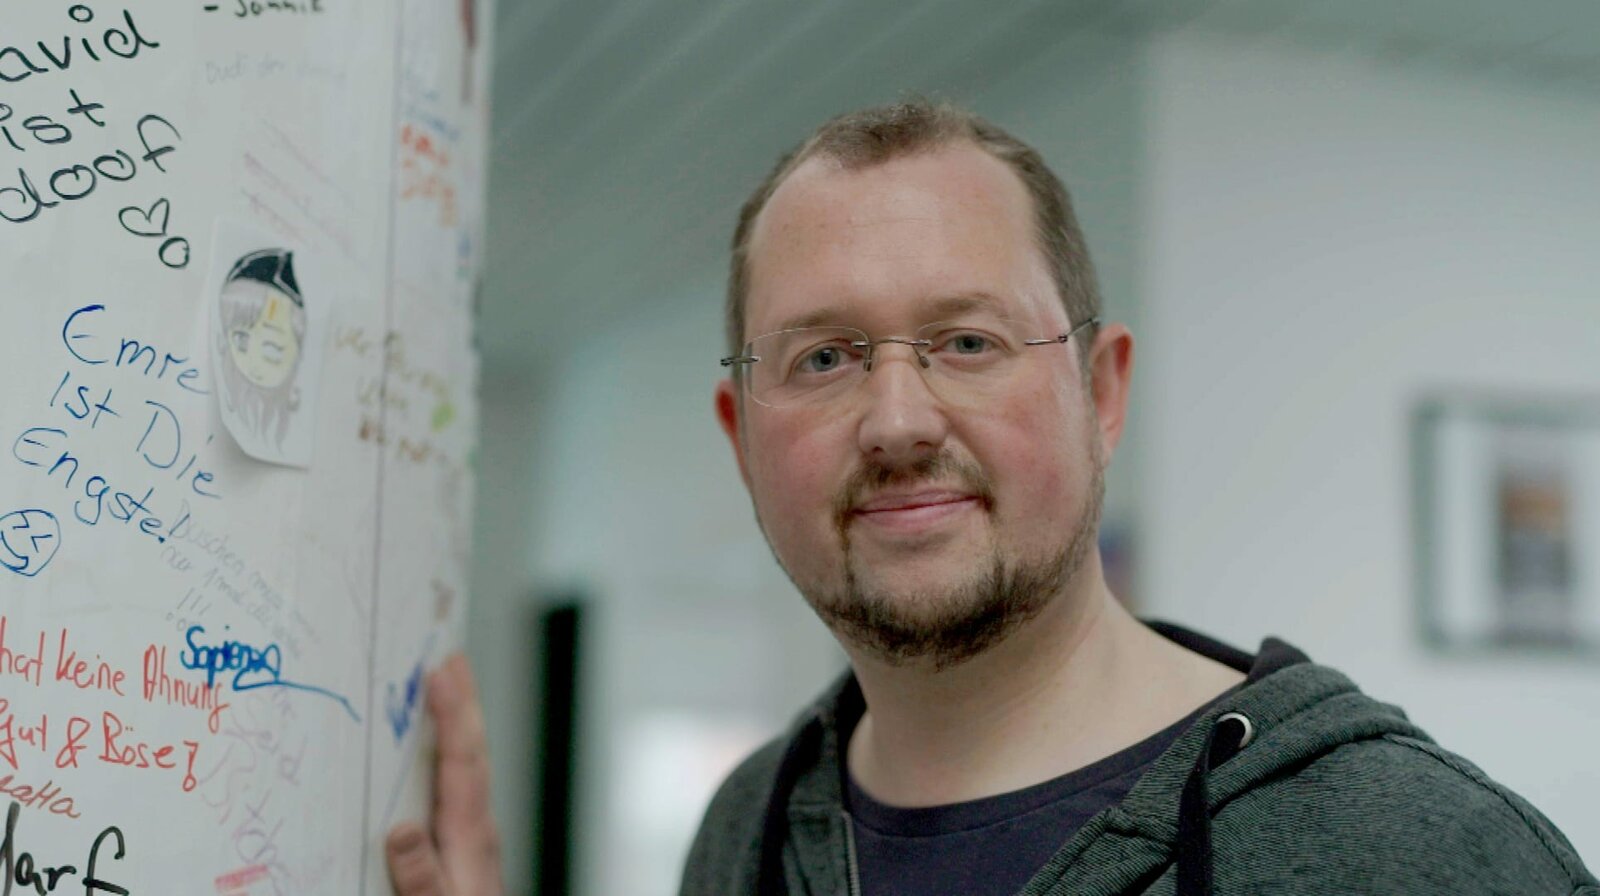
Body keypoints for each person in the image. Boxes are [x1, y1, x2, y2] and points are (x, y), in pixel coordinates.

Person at [388, 100, 1598, 895]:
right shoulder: (749, 830)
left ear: (1101, 392)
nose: (898, 420)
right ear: (742, 436)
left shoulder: (1412, 849)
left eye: (966, 341)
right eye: (824, 356)